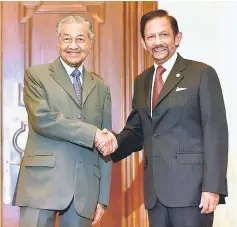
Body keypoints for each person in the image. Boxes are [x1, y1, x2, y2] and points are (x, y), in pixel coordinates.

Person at [97, 9, 228, 227]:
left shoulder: (202, 74)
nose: (157, 42)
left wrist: (212, 187)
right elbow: (137, 130)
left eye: (164, 35)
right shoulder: (142, 81)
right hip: (155, 195)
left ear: (177, 38)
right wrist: (113, 143)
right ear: (143, 42)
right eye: (151, 37)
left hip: (193, 193)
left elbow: (216, 133)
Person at [12, 15, 116, 227]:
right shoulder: (36, 75)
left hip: (84, 190)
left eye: (80, 39)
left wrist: (102, 197)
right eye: (67, 39)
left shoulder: (101, 88)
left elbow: (106, 146)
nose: (73, 46)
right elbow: (43, 119)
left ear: (90, 43)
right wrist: (92, 133)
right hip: (41, 184)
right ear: (58, 41)